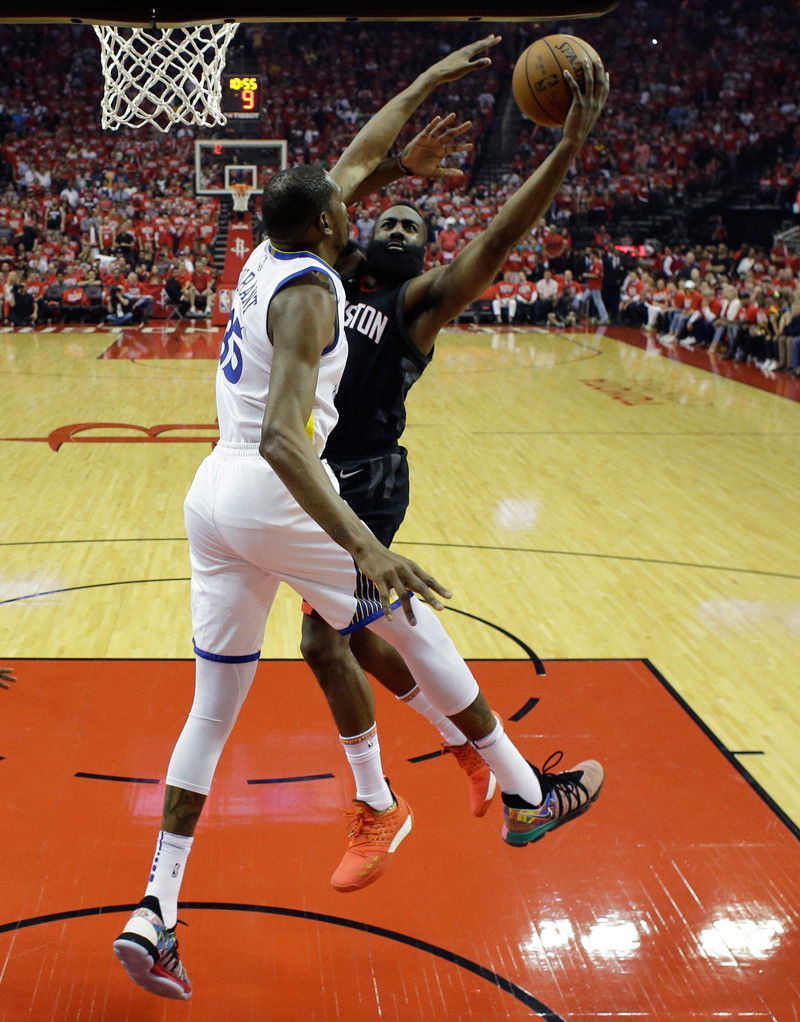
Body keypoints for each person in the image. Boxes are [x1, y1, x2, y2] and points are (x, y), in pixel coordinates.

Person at [112, 37, 518, 1002]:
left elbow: (351, 164)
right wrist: (369, 546)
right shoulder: (311, 291)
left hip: (208, 493)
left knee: (212, 712)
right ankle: (519, 785)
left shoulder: (269, 249)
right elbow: (291, 447)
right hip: (264, 488)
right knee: (404, 613)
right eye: (351, 201)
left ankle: (155, 910)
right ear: (335, 223)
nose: (357, 196)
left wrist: (421, 88)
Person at [299, 57, 609, 894]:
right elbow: (338, 186)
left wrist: (566, 150)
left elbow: (497, 243)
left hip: (366, 480)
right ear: (360, 236)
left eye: (414, 230)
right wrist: (401, 163)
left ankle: (417, 796)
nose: (399, 232)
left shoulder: (416, 305)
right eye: (388, 223)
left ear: (426, 257)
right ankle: (475, 758)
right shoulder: (329, 274)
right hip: (314, 480)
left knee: (323, 640)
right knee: (358, 637)